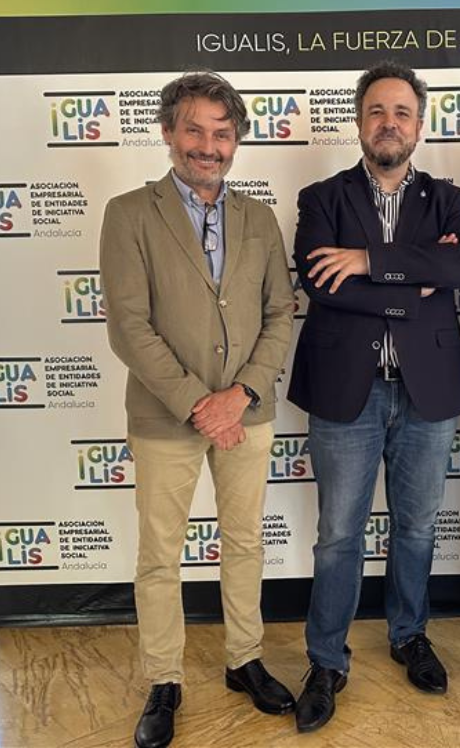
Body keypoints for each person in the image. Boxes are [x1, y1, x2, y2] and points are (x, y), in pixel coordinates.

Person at [99, 71, 296, 748]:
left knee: (243, 543)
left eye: (221, 132)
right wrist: (198, 404)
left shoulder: (259, 218)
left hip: (247, 412)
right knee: (160, 553)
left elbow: (280, 314)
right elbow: (129, 326)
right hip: (166, 416)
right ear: (168, 132)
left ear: (236, 139)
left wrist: (238, 396)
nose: (207, 146)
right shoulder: (129, 214)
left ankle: (244, 659)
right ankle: (164, 680)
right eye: (194, 130)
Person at [287, 60, 460, 733]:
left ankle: (408, 635)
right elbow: (321, 283)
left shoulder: (449, 201)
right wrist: (418, 286)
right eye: (377, 111)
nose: (389, 123)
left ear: (420, 126)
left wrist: (369, 262)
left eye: (402, 112)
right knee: (338, 535)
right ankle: (325, 659)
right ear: (360, 121)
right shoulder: (322, 199)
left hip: (427, 394)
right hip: (349, 392)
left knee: (419, 526)